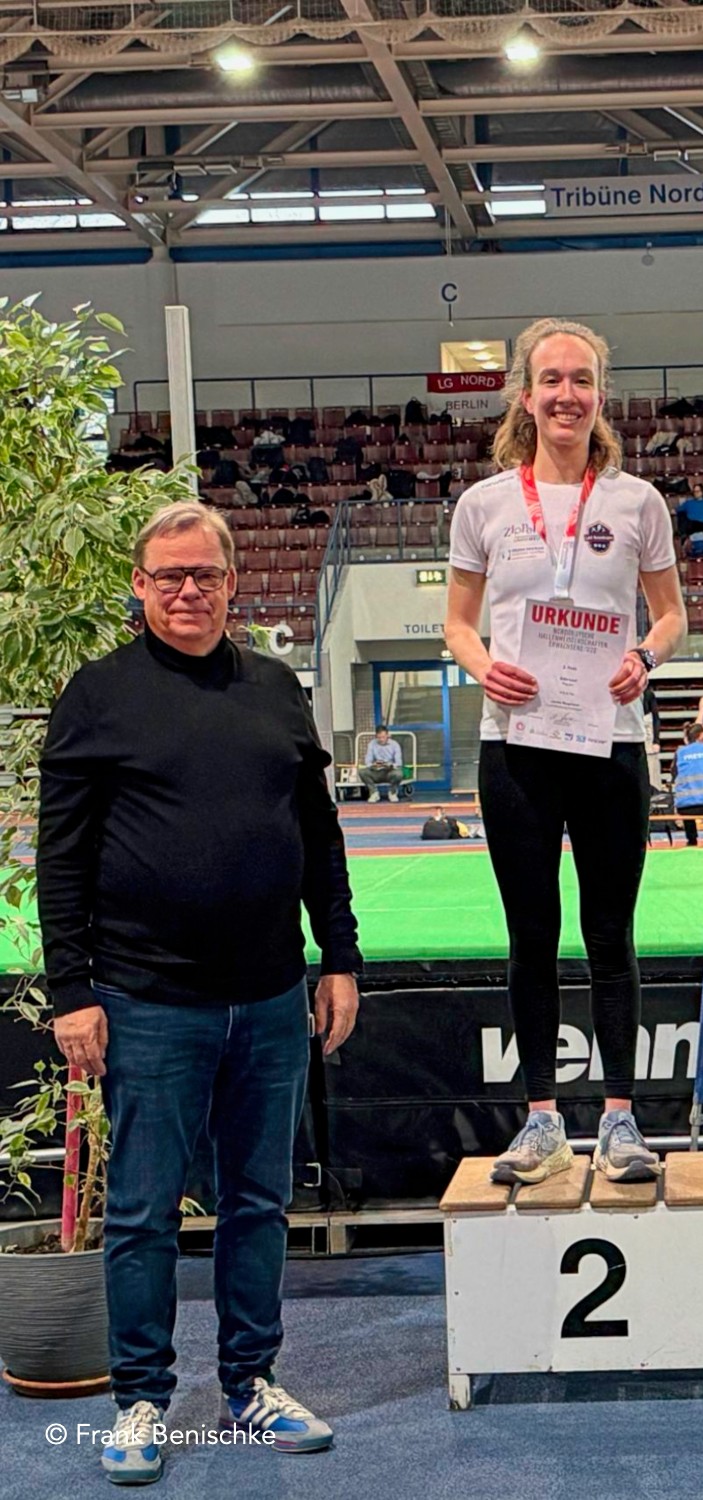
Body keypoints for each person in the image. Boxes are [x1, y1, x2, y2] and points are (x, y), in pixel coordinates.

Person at [36, 501, 360, 1484]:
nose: (188, 591)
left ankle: (251, 1382)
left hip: (269, 998)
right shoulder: (97, 696)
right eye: (169, 576)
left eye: (205, 576)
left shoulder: (276, 688)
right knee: (142, 1212)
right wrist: (72, 990)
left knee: (258, 1202)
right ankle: (139, 1398)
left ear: (232, 583)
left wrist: (339, 957)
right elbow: (62, 857)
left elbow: (319, 833)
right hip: (145, 1002)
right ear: (139, 586)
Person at [445, 316, 687, 1187]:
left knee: (610, 932)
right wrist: (486, 668)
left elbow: (670, 614)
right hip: (515, 745)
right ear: (526, 396)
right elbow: (457, 624)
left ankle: (621, 1118)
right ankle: (541, 1117)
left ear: (599, 395)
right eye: (551, 380)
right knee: (532, 934)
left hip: (608, 740)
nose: (566, 395)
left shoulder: (636, 503)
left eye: (581, 380)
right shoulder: (484, 505)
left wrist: (644, 658)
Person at [359, 725, 404, 802]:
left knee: (399, 774)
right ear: (376, 736)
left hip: (390, 772)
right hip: (377, 771)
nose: (381, 739)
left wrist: (391, 765)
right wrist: (373, 765)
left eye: (383, 737)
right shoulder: (372, 744)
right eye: (379, 737)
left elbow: (399, 762)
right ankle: (374, 793)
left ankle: (392, 792)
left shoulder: (395, 744)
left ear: (387, 735)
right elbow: (368, 761)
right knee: (362, 772)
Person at [676, 479, 703, 545]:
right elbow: (676, 510)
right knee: (681, 515)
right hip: (690, 525)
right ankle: (683, 538)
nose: (696, 493)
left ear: (702, 492)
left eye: (698, 491)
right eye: (695, 491)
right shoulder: (688, 502)